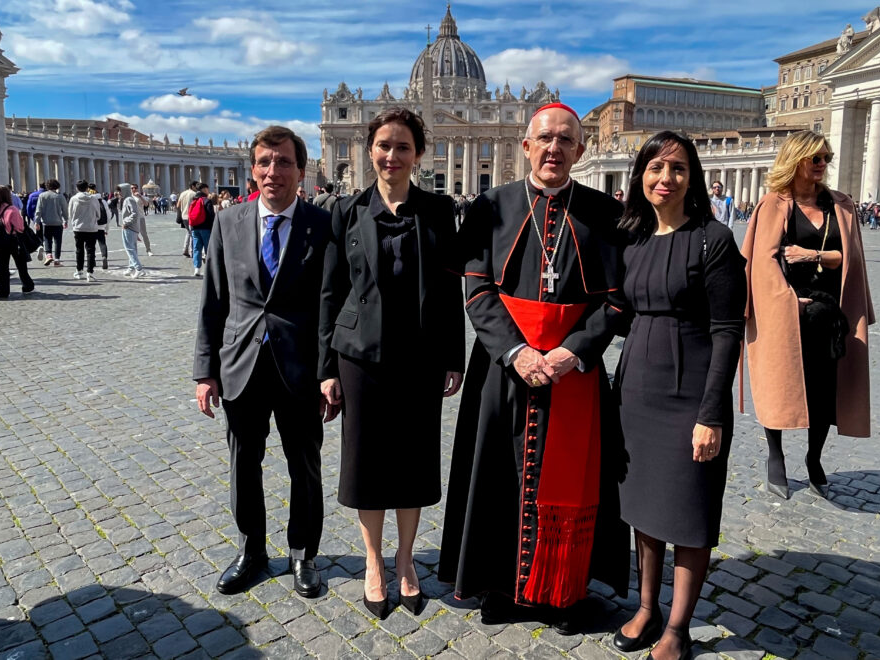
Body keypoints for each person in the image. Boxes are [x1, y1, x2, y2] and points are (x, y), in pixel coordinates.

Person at [439, 103, 629, 633]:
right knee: (498, 476)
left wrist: (574, 352)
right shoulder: (491, 206)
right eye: (545, 138)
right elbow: (477, 291)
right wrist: (517, 352)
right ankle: (499, 586)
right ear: (525, 146)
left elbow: (616, 301)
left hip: (575, 374)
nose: (554, 149)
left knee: (574, 480)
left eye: (566, 140)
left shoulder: (603, 213)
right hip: (504, 369)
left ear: (580, 151)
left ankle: (564, 589)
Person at [319, 108, 465, 619]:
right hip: (360, 357)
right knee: (366, 463)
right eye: (383, 145)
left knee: (414, 460)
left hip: (420, 356)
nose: (391, 155)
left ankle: (406, 560)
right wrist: (327, 368)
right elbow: (331, 291)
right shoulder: (346, 210)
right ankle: (373, 561)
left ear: (418, 155)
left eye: (403, 147)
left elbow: (451, 289)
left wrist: (454, 356)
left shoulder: (440, 210)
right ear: (370, 150)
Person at [612, 131, 746, 660]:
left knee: (689, 511)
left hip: (691, 394)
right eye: (655, 168)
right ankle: (646, 607)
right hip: (637, 390)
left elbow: (728, 331)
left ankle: (677, 628)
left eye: (678, 169)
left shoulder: (714, 239)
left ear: (693, 178)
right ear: (640, 176)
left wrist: (711, 414)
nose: (665, 179)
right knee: (644, 508)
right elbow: (618, 313)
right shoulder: (635, 239)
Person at [193, 126, 331, 597]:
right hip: (240, 363)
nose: (274, 172)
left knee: (305, 466)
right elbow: (213, 299)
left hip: (301, 367)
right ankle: (251, 549)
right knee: (243, 463)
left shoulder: (322, 223)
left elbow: (334, 306)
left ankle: (303, 554)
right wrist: (204, 371)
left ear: (301, 169)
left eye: (284, 162)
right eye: (265, 162)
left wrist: (330, 371)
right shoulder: (228, 222)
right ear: (253, 169)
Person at [741, 130, 874, 501]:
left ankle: (814, 459)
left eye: (826, 158)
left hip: (829, 312)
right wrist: (786, 299)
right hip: (785, 309)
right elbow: (761, 262)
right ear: (796, 158)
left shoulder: (841, 205)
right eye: (815, 158)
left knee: (824, 389)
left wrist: (815, 255)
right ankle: (776, 457)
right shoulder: (772, 204)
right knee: (779, 383)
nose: (822, 165)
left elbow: (852, 259)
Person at [0, 185, 34, 299]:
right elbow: (20, 227)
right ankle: (27, 285)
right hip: (13, 239)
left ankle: (2, 291)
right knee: (21, 264)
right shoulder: (12, 209)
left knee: (2, 267)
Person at [35, 179, 68, 266]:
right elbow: (65, 210)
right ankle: (57, 260)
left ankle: (48, 255)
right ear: (57, 186)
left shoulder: (42, 196)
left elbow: (38, 210)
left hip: (46, 222)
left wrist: (37, 221)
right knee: (58, 241)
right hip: (57, 222)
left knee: (47, 239)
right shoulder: (60, 197)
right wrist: (66, 220)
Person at [118, 183, 145, 278]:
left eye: (120, 191)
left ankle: (139, 269)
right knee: (132, 249)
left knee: (129, 249)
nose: (119, 193)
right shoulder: (128, 199)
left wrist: (126, 223)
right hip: (132, 227)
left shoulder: (128, 199)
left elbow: (134, 214)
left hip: (129, 227)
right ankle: (131, 267)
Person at [189, 183, 215, 277]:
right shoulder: (207, 200)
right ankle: (210, 269)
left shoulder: (194, 200)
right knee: (209, 249)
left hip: (195, 228)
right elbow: (211, 216)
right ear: (204, 189)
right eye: (207, 189)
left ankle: (197, 268)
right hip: (206, 228)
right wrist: (213, 227)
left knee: (196, 248)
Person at [88, 183, 110, 270]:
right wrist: (107, 228)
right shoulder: (103, 201)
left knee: (90, 244)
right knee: (102, 243)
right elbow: (108, 214)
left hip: (90, 226)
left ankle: (92, 261)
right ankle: (104, 257)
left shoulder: (88, 200)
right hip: (101, 226)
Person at [177, 181, 200, 258]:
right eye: (196, 186)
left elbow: (178, 205)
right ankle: (192, 251)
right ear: (193, 186)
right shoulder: (194, 194)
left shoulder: (182, 193)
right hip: (192, 216)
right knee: (193, 234)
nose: (197, 187)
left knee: (189, 232)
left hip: (184, 216)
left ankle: (185, 250)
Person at [132, 184, 153, 256]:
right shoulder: (129, 197)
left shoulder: (140, 197)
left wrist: (140, 196)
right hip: (132, 219)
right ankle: (134, 251)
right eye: (132, 188)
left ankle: (148, 250)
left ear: (137, 189)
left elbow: (146, 204)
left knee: (144, 234)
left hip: (140, 217)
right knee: (132, 235)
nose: (133, 189)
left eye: (135, 188)